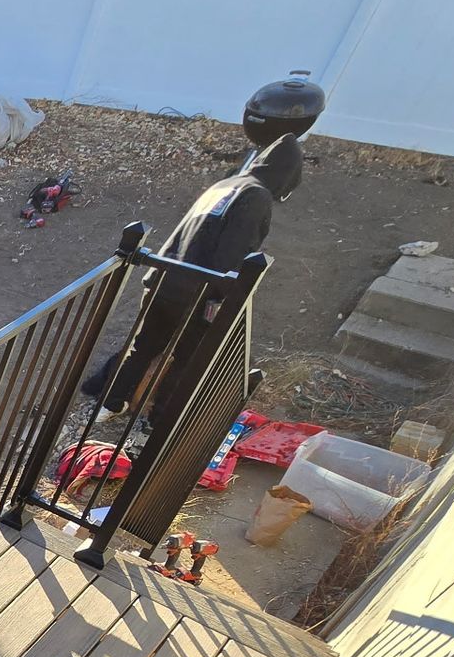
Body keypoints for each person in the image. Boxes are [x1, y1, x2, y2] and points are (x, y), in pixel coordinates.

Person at [84, 134, 304, 434]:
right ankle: (158, 423)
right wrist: (219, 299)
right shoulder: (257, 197)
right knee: (187, 358)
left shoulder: (224, 186)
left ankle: (112, 403)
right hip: (198, 289)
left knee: (144, 345)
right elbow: (234, 251)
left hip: (164, 275)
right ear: (286, 178)